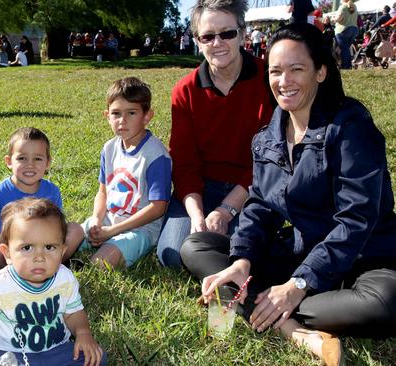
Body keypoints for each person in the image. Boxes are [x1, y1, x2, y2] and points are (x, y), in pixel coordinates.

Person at [182, 23, 396, 366]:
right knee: (197, 246)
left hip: (363, 258)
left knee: (384, 303)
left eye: (297, 69)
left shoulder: (350, 126)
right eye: (276, 71)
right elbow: (260, 207)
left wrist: (298, 283)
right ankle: (290, 328)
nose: (284, 81)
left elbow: (357, 218)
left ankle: (259, 302)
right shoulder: (269, 134)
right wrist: (242, 259)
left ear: (321, 72)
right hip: (301, 250)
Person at [156, 0, 274, 271]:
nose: (217, 42)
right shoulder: (184, 91)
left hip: (253, 190)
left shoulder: (269, 78)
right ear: (197, 41)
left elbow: (269, 161)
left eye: (227, 33)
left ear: (243, 34)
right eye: (208, 36)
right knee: (172, 255)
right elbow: (184, 162)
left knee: (242, 249)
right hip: (201, 188)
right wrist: (197, 216)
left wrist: (226, 210)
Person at [0, 198, 106, 366]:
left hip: (56, 350)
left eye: (49, 247)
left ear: (62, 251)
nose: (39, 257)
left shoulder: (65, 278)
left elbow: (73, 313)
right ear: (7, 253)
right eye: (27, 248)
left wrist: (83, 333)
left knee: (95, 356)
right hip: (12, 354)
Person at [79, 77, 171, 269]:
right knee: (68, 234)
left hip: (139, 230)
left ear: (147, 116)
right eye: (116, 113)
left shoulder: (155, 155)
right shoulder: (109, 148)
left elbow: (158, 207)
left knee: (100, 262)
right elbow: (102, 192)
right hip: (108, 221)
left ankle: (75, 275)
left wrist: (112, 231)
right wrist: (96, 219)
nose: (122, 121)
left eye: (131, 113)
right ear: (107, 116)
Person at [0, 127, 85, 268]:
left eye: (37, 158)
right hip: (14, 251)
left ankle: (56, 263)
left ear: (48, 162)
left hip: (44, 246)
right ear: (9, 161)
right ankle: (13, 273)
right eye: (22, 158)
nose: (30, 164)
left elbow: (57, 227)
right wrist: (14, 242)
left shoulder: (52, 191)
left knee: (76, 230)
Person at [334, 0, 359, 69]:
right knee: (346, 48)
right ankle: (348, 65)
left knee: (344, 49)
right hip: (354, 29)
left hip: (343, 29)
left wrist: (333, 19)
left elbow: (339, 18)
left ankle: (346, 66)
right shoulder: (354, 6)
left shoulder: (342, 7)